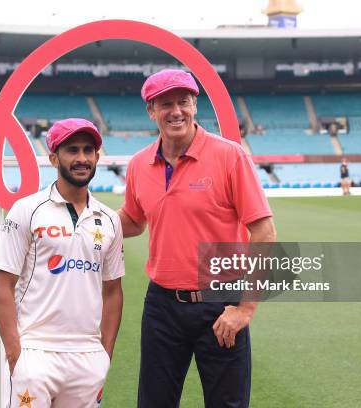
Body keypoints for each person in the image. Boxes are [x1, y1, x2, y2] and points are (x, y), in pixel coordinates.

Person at [118, 69, 276, 408]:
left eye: (183, 102)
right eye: (165, 104)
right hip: (161, 305)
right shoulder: (138, 165)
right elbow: (132, 221)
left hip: (221, 303)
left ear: (194, 105)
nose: (175, 111)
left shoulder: (230, 155)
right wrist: (86, 223)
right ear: (151, 110)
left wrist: (246, 308)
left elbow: (263, 230)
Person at [0, 118, 125, 408]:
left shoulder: (110, 219)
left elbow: (113, 291)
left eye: (88, 150)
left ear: (97, 157)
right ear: (54, 157)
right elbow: (3, 285)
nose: (82, 158)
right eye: (72, 150)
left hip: (88, 357)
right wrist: (16, 354)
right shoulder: (27, 210)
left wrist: (104, 354)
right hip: (36, 352)